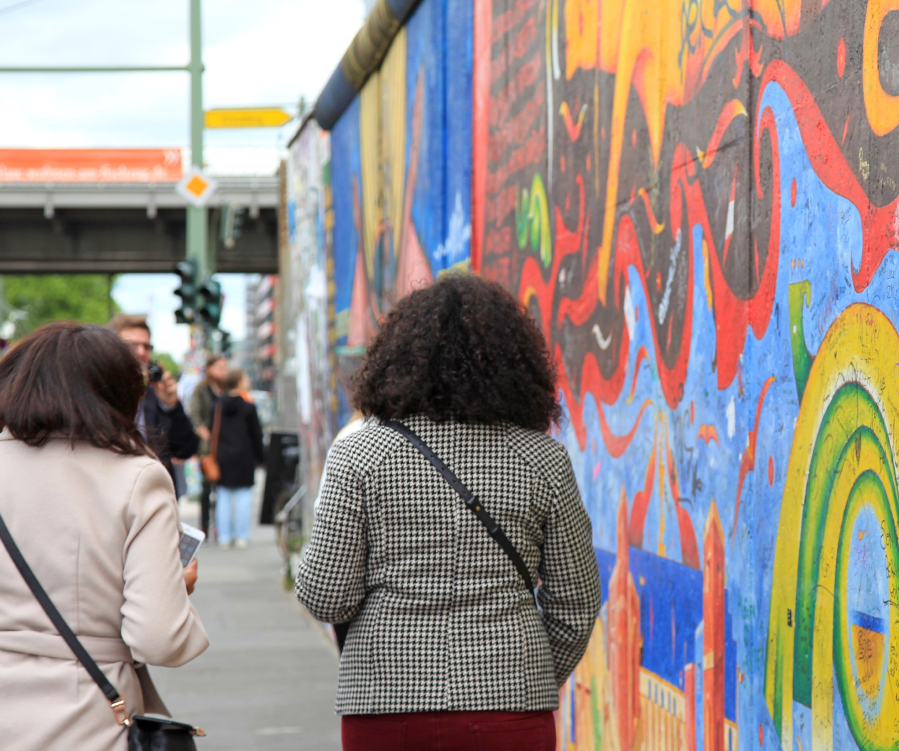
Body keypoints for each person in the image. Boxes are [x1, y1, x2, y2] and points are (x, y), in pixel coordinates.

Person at [0, 322, 209, 751]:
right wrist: (173, 590)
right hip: (92, 727)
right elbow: (160, 639)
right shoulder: (140, 479)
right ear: (118, 395)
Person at [295, 274, 601, 751]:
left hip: (385, 703)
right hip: (511, 705)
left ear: (394, 358)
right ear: (516, 365)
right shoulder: (543, 459)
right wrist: (523, 675)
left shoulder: (358, 456)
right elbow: (576, 604)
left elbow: (327, 598)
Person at [107, 314, 197, 483]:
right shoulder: (101, 394)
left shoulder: (156, 393)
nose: (141, 352)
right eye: (131, 345)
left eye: (146, 347)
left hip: (155, 492)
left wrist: (171, 406)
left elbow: (185, 450)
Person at [212, 368, 263, 550]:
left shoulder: (218, 406)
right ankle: (242, 536)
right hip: (244, 456)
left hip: (222, 457)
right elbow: (256, 435)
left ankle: (224, 537)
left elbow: (213, 432)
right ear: (239, 382)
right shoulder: (248, 407)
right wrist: (261, 457)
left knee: (223, 498)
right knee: (243, 497)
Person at [186, 354, 228, 537]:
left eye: (224, 367)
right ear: (209, 369)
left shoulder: (226, 390)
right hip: (207, 446)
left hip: (224, 444)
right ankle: (205, 525)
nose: (223, 371)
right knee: (206, 488)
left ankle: (220, 525)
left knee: (222, 489)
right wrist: (200, 428)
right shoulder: (201, 390)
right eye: (219, 367)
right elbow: (193, 413)